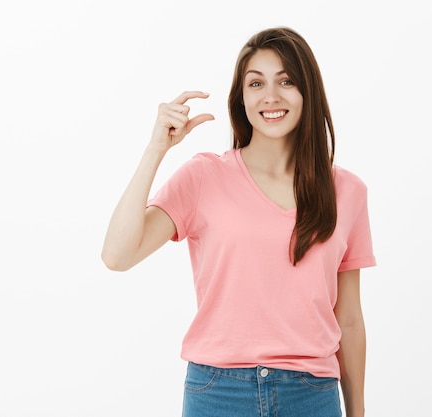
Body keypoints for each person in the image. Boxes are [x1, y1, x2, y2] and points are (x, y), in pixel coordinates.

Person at [101, 27, 376, 417]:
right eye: (256, 83)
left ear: (307, 91)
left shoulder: (347, 191)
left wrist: (359, 412)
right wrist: (156, 149)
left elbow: (349, 319)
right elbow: (117, 255)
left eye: (287, 81)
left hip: (311, 395)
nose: (271, 96)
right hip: (217, 393)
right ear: (241, 98)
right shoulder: (203, 177)